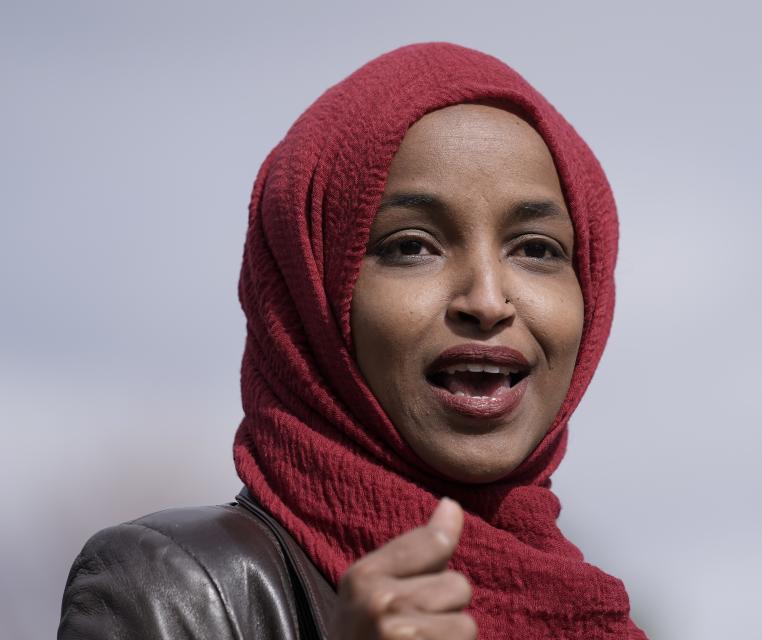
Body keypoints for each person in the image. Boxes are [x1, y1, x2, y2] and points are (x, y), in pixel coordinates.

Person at [58, 42, 647, 639]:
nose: (488, 300)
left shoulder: (595, 615)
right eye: (411, 245)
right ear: (310, 295)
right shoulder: (176, 590)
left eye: (536, 249)